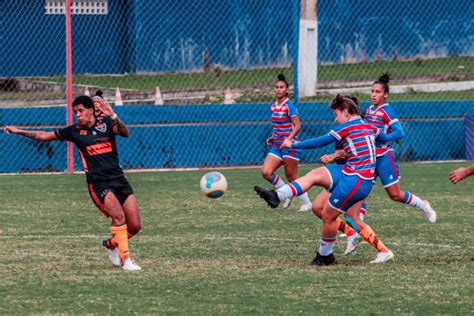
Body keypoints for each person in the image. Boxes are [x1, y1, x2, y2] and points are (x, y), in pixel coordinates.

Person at [4, 95, 142, 271]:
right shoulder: (74, 131)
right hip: (98, 182)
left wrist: (113, 116)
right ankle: (126, 261)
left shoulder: (106, 122)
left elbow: (125, 132)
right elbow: (44, 136)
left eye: (81, 111)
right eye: (75, 112)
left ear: (91, 110)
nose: (77, 115)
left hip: (118, 179)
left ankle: (111, 244)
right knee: (118, 217)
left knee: (135, 225)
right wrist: (19, 131)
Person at [255, 94, 394, 265]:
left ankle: (326, 255)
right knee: (316, 176)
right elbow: (386, 138)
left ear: (345, 112)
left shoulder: (347, 128)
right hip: (349, 171)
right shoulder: (370, 126)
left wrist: (293, 144)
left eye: (336, 115)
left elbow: (318, 142)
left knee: (329, 214)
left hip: (357, 179)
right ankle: (278, 195)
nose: (336, 119)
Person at [364, 73, 437, 223]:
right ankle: (356, 230)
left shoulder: (386, 111)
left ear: (385, 94)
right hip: (369, 157)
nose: (374, 94)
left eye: (378, 92)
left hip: (384, 156)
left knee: (395, 195)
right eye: (372, 91)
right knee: (360, 193)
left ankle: (424, 206)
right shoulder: (368, 110)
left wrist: (384, 137)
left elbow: (399, 132)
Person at [261, 74, 312, 212]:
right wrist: (273, 137)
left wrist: (288, 140)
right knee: (266, 172)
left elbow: (297, 126)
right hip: (277, 146)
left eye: (281, 87)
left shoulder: (289, 106)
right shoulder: (273, 107)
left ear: (286, 90)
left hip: (291, 145)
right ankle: (285, 192)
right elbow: (280, 126)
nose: (278, 90)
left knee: (291, 176)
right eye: (276, 87)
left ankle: (307, 203)